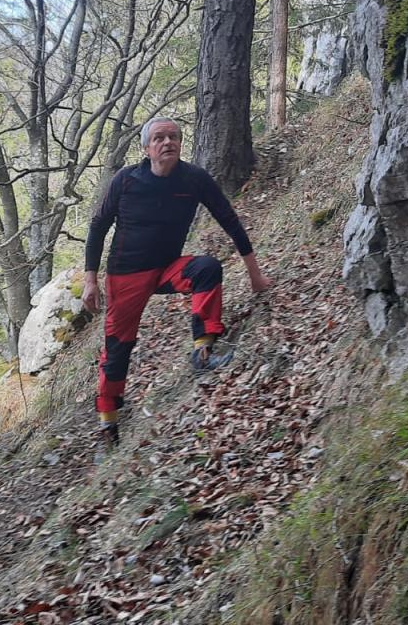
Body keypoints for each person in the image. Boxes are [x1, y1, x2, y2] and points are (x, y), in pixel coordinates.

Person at [82, 117, 271, 448]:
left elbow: (229, 220)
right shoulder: (126, 179)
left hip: (168, 267)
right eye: (159, 138)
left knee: (206, 269)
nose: (167, 142)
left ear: (181, 143)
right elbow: (98, 227)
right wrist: (90, 280)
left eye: (173, 136)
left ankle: (202, 353)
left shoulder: (194, 178)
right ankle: (107, 427)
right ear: (146, 148)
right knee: (117, 349)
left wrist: (255, 273)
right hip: (126, 275)